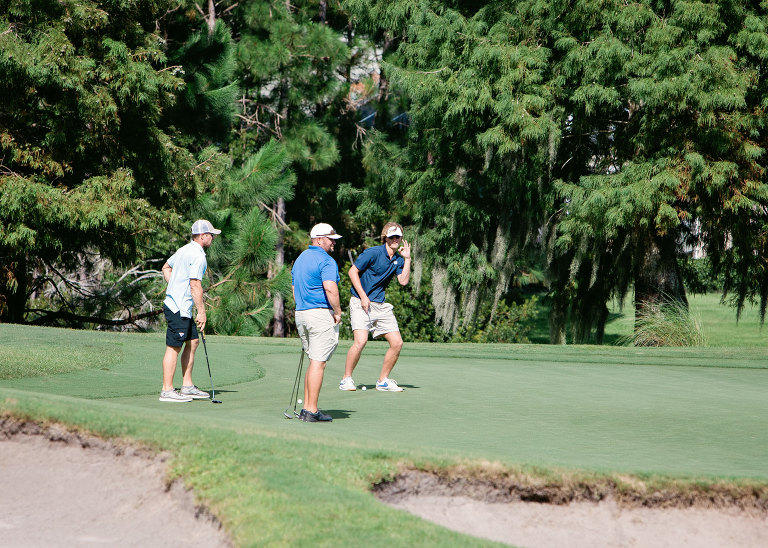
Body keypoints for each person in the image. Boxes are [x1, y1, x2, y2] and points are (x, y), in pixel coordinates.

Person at [340, 222, 411, 392]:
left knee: (397, 343)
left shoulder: (398, 259)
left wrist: (408, 259)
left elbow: (403, 281)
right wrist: (363, 296)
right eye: (392, 237)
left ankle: (383, 381)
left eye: (398, 236)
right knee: (361, 341)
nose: (395, 240)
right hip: (360, 302)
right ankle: (346, 379)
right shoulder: (373, 253)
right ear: (385, 238)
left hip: (380, 305)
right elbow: (352, 272)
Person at [159, 219, 221, 402]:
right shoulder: (198, 256)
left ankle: (187, 386)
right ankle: (167, 390)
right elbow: (195, 285)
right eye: (211, 235)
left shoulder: (184, 249)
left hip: (182, 307)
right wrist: (201, 312)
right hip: (177, 307)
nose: (213, 238)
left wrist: (175, 285)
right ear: (202, 236)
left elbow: (166, 267)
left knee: (193, 341)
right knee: (174, 347)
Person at [291, 223, 343, 422]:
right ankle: (311, 410)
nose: (334, 243)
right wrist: (337, 312)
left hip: (301, 313)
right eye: (331, 239)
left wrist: (303, 307)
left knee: (313, 361)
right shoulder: (326, 260)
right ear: (320, 240)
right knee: (318, 363)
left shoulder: (300, 259)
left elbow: (294, 289)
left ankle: (307, 408)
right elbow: (330, 288)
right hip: (319, 314)